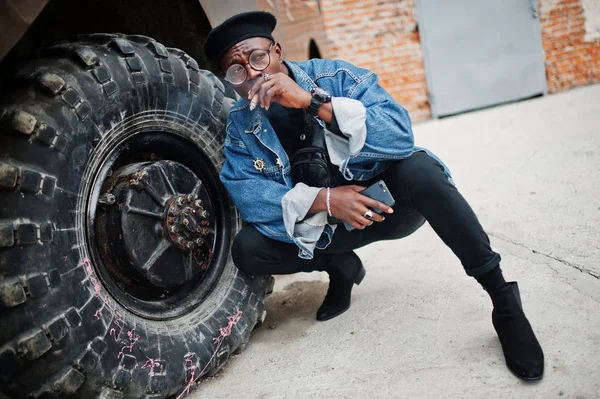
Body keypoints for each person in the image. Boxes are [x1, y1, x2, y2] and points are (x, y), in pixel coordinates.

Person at [203, 11, 544, 380]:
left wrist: (313, 104)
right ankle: (341, 267)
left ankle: (502, 298)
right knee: (249, 248)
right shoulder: (241, 126)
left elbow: (400, 136)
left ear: (277, 51)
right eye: (236, 71)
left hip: (385, 208)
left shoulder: (334, 76)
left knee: (421, 170)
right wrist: (328, 201)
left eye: (257, 57)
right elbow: (251, 197)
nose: (252, 74)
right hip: (328, 230)